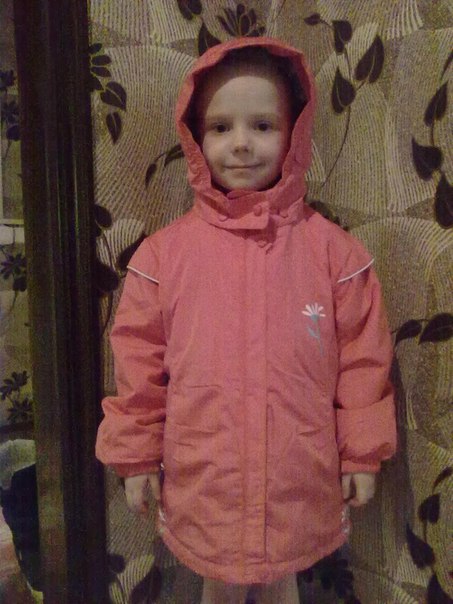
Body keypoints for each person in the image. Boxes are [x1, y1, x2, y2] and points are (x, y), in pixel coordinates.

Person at [96, 37, 396, 603]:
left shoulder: (335, 255)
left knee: (284, 578)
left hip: (297, 471)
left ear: (295, 134)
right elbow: (137, 366)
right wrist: (135, 456)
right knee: (220, 585)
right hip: (206, 471)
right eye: (220, 127)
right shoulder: (163, 258)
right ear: (195, 137)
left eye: (262, 125)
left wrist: (362, 452)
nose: (240, 144)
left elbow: (364, 361)